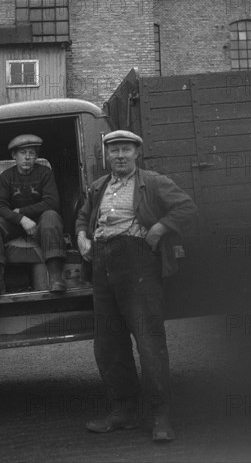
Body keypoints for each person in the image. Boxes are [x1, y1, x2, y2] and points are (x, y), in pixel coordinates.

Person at [76, 130, 197, 442]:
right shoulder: (97, 187)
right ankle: (124, 412)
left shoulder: (153, 182)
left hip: (138, 264)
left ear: (136, 154)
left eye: (125, 150)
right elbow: (82, 217)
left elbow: (185, 207)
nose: (119, 155)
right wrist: (81, 236)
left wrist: (158, 229)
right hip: (103, 266)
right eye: (114, 150)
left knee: (149, 341)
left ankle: (161, 416)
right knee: (109, 345)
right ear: (106, 155)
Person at [0, 134, 66, 298]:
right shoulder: (6, 176)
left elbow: (52, 202)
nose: (27, 157)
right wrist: (21, 219)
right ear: (14, 156)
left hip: (41, 224)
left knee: (51, 216)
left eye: (32, 153)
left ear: (36, 156)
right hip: (14, 225)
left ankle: (55, 278)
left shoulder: (44, 173)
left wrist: (24, 212)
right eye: (23, 153)